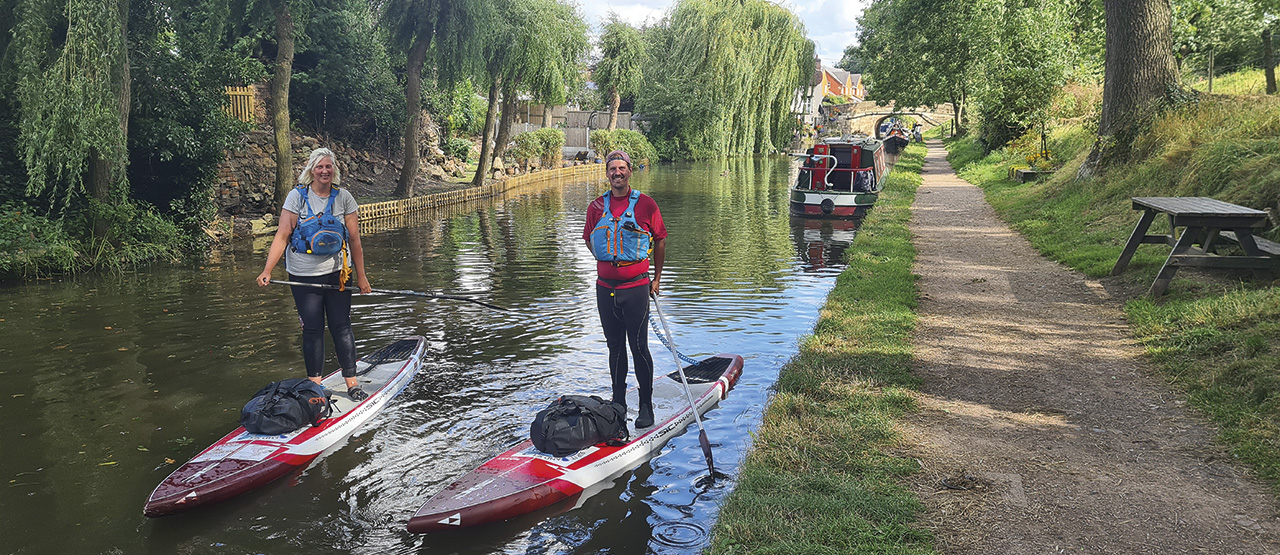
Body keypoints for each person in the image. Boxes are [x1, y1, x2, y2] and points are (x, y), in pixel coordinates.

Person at [257, 147, 373, 401]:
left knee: (341, 326)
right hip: (303, 275)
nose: (324, 171)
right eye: (319, 167)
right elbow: (282, 235)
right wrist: (267, 270)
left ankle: (352, 383)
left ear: (334, 171)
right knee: (312, 329)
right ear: (311, 170)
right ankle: (315, 386)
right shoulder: (296, 198)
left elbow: (355, 240)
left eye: (328, 167)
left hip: (337, 273)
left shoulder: (344, 198)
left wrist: (362, 277)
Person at [583, 149, 667, 429]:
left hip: (636, 289)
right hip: (605, 289)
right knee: (614, 348)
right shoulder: (596, 207)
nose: (617, 173)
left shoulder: (646, 205)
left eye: (622, 168)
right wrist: (607, 262)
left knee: (639, 347)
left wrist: (655, 279)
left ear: (630, 171)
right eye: (612, 169)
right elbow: (589, 240)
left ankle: (646, 405)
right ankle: (618, 404)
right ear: (607, 174)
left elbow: (661, 240)